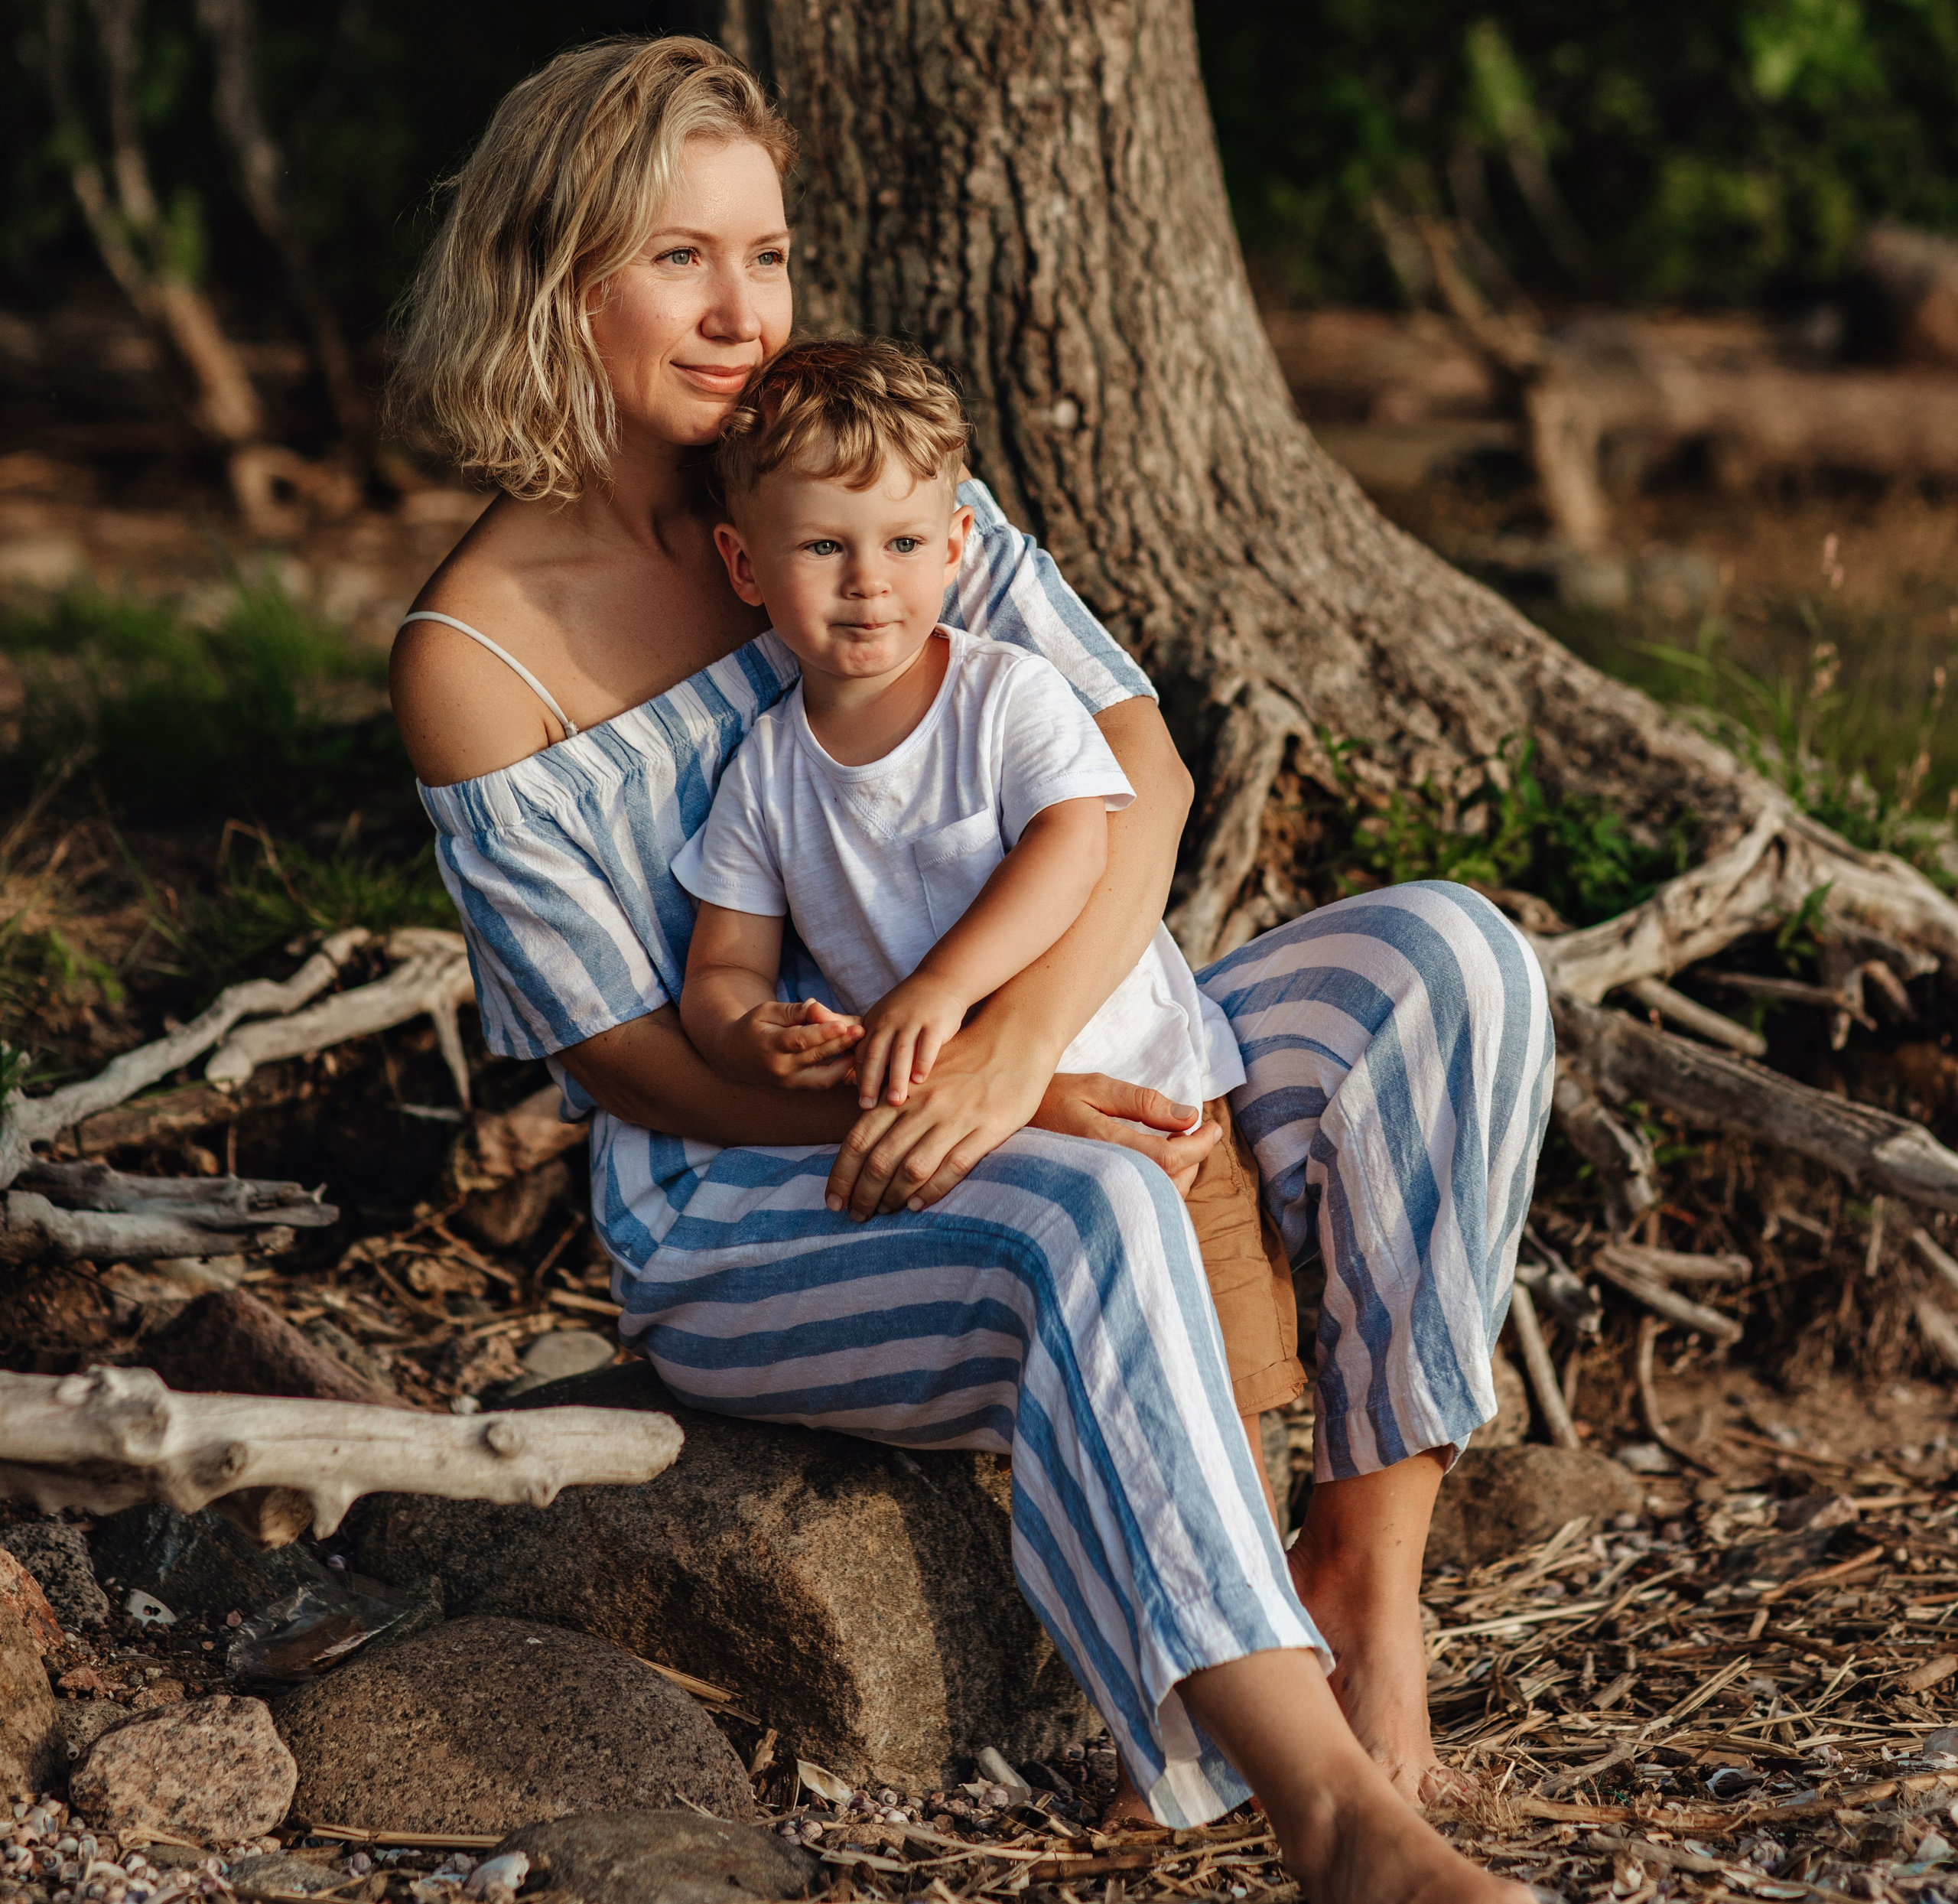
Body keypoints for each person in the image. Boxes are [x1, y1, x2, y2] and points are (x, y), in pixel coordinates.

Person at [386, 35, 1550, 1904]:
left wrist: (1012, 1048)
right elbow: (630, 1063)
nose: (738, 309)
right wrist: (966, 1097)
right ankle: (1334, 1820)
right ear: (550, 264)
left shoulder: (854, 470)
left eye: (762, 255)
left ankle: (1362, 1575)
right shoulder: (477, 654)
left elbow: (1139, 778)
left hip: (1050, 1039)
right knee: (1080, 1204)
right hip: (759, 1193)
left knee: (1450, 960)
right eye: (679, 258)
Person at [675, 337, 1240, 1144]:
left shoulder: (1003, 692)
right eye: (823, 546)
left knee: (1225, 1272)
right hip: (956, 1125)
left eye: (902, 543)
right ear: (744, 565)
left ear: (952, 547)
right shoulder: (764, 773)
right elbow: (724, 964)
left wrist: (943, 983)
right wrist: (741, 1031)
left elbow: (1075, 843)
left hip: (1148, 1087)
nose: (866, 579)